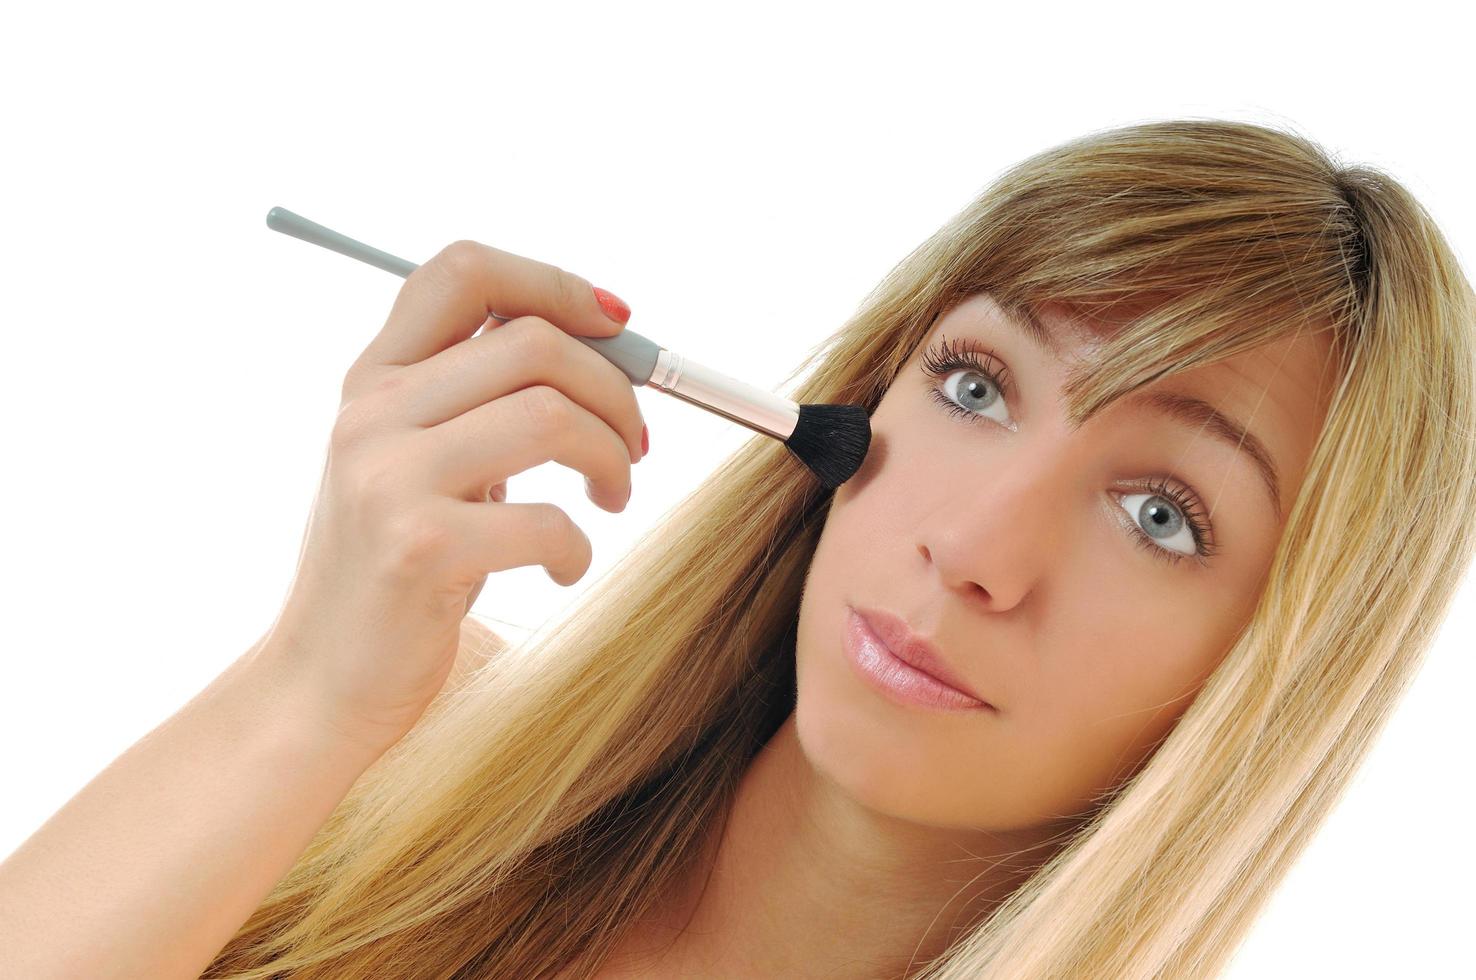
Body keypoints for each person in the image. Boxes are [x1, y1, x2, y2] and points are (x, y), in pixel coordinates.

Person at [3, 118, 1472, 979]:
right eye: (974, 385)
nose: (971, 547)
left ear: (1287, 659)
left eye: (1161, 514)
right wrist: (309, 694)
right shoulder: (388, 746)